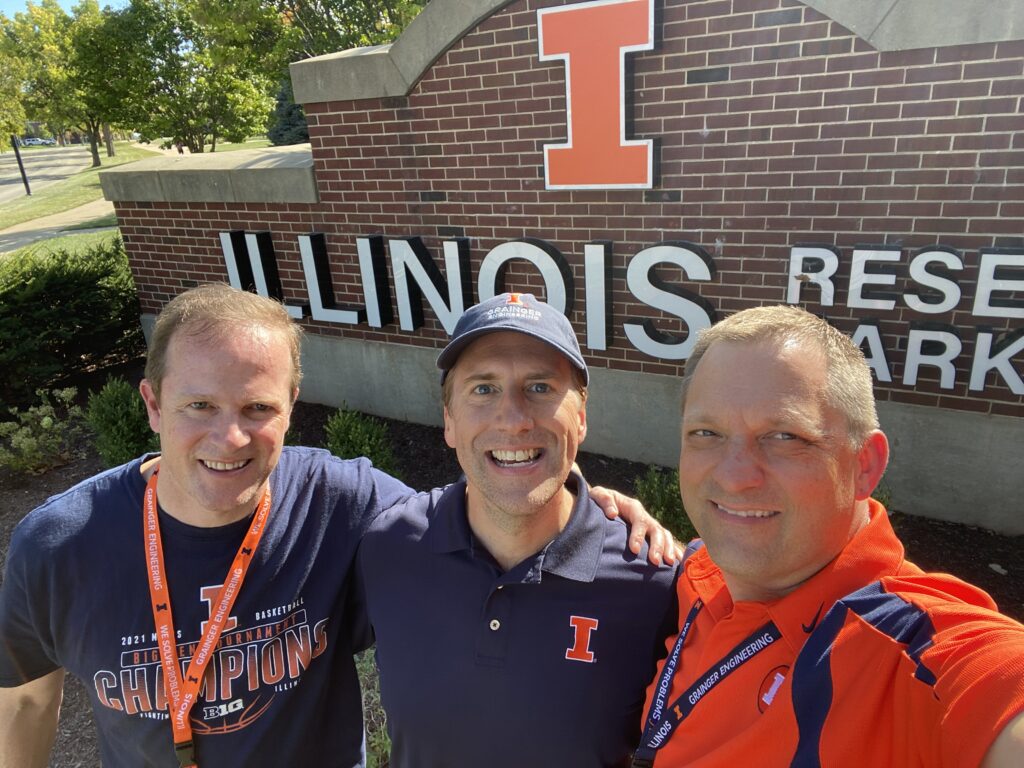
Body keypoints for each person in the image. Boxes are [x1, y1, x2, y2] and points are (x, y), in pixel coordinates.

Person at [0, 283, 673, 768]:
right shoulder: (58, 544)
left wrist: (587, 501)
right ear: (152, 404)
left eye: (257, 406)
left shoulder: (342, 504)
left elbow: (496, 494)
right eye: (198, 405)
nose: (228, 436)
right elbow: (25, 705)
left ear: (292, 406)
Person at [632, 305, 1024, 768]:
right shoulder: (697, 571)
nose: (735, 476)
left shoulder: (915, 651)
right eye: (706, 432)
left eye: (784, 436)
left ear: (865, 465)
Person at [358, 292, 680, 767]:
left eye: (541, 387)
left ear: (582, 417)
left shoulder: (653, 580)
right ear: (448, 421)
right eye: (483, 389)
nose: (513, 418)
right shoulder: (386, 545)